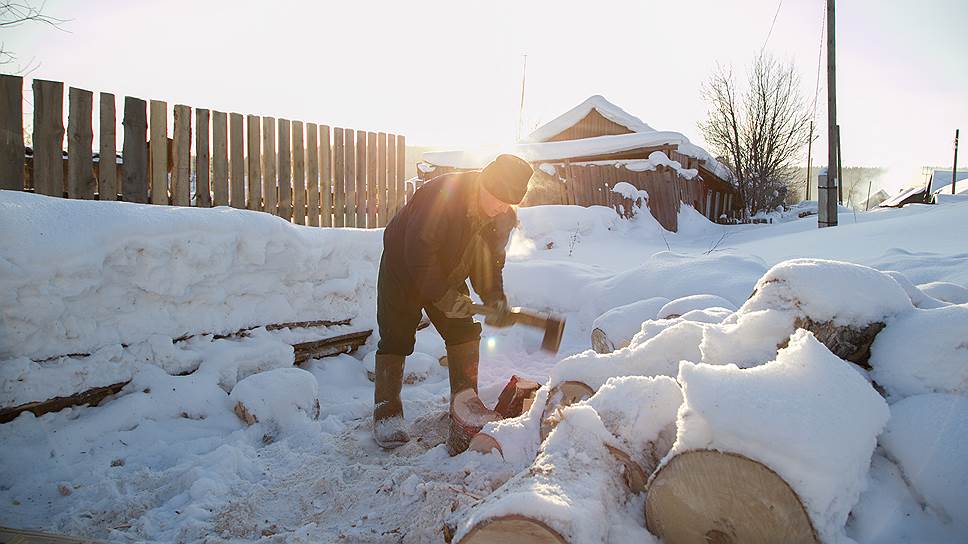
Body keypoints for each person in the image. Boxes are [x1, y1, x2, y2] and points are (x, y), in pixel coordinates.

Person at [373, 154, 534, 449]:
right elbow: (418, 252)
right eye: (497, 197)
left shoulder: (503, 217)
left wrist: (494, 298)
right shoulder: (442, 196)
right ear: (483, 183)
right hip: (403, 268)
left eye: (508, 201)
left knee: (463, 330)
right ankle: (387, 412)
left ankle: (465, 405)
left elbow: (489, 264)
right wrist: (444, 297)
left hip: (447, 270)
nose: (501, 205)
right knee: (396, 336)